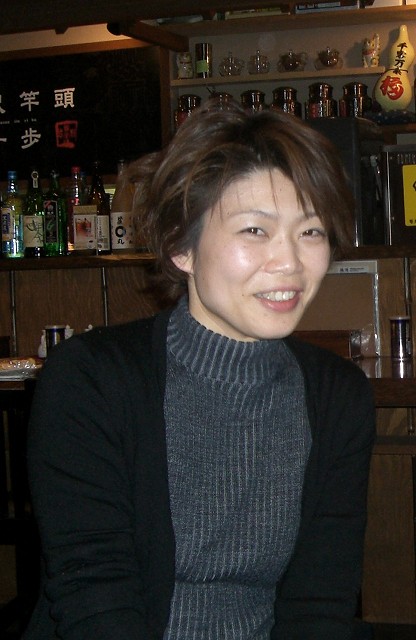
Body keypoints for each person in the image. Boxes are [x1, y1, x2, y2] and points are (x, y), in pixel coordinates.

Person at [24, 100, 375, 640]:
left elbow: (320, 600)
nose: (290, 263)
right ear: (179, 246)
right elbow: (95, 595)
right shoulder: (92, 380)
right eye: (255, 230)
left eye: (311, 232)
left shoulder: (336, 397)